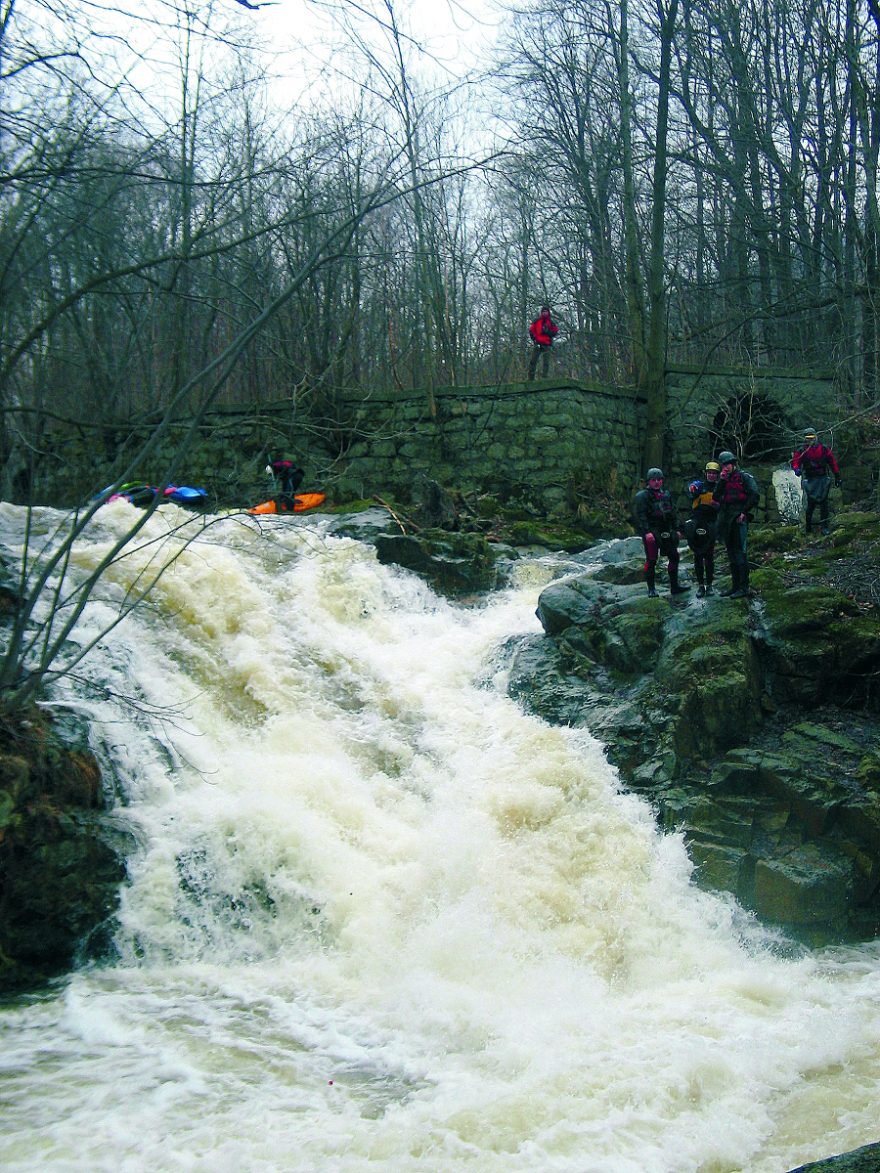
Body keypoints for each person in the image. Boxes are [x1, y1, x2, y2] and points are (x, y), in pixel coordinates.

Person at [634, 468, 688, 597]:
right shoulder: (642, 496)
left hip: (666, 530)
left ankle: (674, 587)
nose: (657, 482)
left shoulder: (666, 495)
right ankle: (651, 589)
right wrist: (647, 532)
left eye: (659, 480)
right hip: (652, 531)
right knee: (651, 559)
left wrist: (679, 529)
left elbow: (673, 514)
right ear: (649, 482)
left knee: (674, 557)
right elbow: (641, 516)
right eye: (654, 480)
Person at [712, 450, 760, 598]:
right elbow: (715, 497)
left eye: (728, 464)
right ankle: (735, 586)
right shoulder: (723, 479)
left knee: (740, 554)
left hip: (739, 519)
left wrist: (744, 512)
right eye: (724, 465)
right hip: (727, 520)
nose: (726, 467)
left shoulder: (744, 477)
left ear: (733, 464)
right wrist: (722, 481)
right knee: (731, 553)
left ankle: (744, 587)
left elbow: (754, 496)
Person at [791, 428, 841, 535]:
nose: (810, 440)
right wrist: (796, 469)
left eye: (812, 438)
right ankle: (808, 528)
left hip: (823, 479)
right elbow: (795, 462)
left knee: (824, 504)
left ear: (816, 437)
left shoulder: (824, 449)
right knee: (810, 505)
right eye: (808, 438)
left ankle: (824, 527)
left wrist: (837, 477)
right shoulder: (801, 451)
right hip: (810, 480)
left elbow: (833, 463)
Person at [684, 460, 721, 597]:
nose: (711, 475)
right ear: (706, 474)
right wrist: (692, 489)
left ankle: (710, 585)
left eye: (714, 473)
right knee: (698, 555)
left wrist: (717, 505)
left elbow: (722, 506)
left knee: (709, 556)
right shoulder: (699, 485)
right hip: (697, 523)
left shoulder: (719, 488)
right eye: (709, 473)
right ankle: (700, 586)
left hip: (711, 523)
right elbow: (692, 489)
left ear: (717, 475)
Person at [527, 306, 559, 380]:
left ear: (548, 312)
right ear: (541, 313)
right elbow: (531, 330)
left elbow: (555, 331)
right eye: (543, 312)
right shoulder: (536, 321)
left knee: (546, 362)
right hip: (538, 343)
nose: (544, 313)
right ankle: (530, 378)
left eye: (546, 311)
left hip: (547, 344)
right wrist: (534, 339)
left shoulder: (551, 322)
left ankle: (544, 378)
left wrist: (547, 332)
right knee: (533, 361)